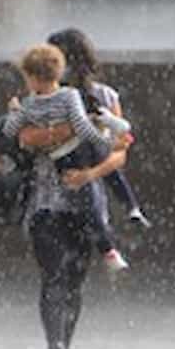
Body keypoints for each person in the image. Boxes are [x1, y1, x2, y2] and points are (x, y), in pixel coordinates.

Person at [0, 44, 130, 349]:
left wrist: (89, 168)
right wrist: (78, 131)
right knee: (58, 280)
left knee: (68, 283)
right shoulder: (41, 99)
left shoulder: (99, 96)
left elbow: (120, 151)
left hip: (80, 203)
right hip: (49, 204)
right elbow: (22, 137)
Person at [46, 27, 152, 229]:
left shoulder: (104, 96)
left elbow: (119, 153)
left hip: (89, 198)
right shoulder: (43, 96)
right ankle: (130, 209)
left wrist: (88, 175)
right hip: (47, 197)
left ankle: (130, 209)